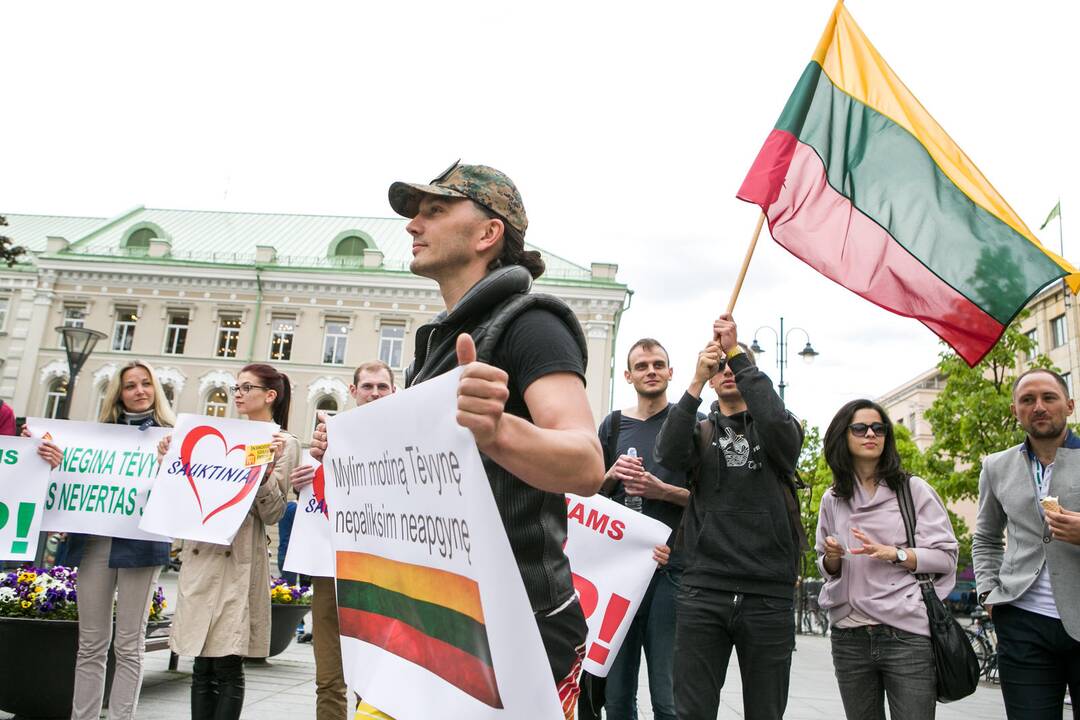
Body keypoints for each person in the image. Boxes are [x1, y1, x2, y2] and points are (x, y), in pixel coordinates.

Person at [311, 161, 604, 718]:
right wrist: (353, 457)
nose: (413, 225)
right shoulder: (440, 343)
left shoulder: (532, 323)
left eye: (435, 210)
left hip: (512, 633)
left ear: (488, 233)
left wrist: (499, 430)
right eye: (416, 213)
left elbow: (586, 461)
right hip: (429, 621)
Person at [654, 314, 804, 720]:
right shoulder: (699, 430)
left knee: (765, 712)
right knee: (691, 712)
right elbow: (667, 454)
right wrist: (694, 383)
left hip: (767, 595)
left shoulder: (777, 428)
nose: (728, 372)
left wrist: (737, 354)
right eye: (720, 366)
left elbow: (780, 428)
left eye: (735, 365)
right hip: (704, 591)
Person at [25, 359, 174, 720]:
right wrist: (53, 460)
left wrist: (169, 463)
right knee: (90, 643)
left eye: (145, 384)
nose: (139, 391)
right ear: (118, 394)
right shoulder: (93, 437)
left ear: (155, 389)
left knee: (129, 644)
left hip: (142, 543)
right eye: (130, 385)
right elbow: (73, 482)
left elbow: (180, 494)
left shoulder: (171, 437)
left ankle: (122, 717)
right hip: (92, 543)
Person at [163, 363, 300, 720]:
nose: (237, 394)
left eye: (246, 388)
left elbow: (273, 514)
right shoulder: (216, 433)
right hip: (202, 553)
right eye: (235, 387)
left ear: (269, 395)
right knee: (200, 666)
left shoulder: (282, 443)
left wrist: (263, 475)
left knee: (227, 663)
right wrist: (168, 457)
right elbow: (184, 491)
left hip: (240, 558)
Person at [816, 399, 958, 720]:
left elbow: (945, 557)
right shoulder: (833, 497)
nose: (871, 434)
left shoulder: (913, 490)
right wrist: (834, 558)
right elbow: (824, 565)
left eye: (879, 428)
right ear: (843, 435)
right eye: (861, 428)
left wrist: (895, 553)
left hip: (905, 635)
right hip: (849, 636)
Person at [592, 338, 696, 720]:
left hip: (671, 571)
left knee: (667, 697)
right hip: (618, 575)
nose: (650, 371)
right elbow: (589, 496)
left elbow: (710, 501)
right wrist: (609, 476)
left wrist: (661, 490)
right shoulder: (613, 424)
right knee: (617, 697)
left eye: (657, 364)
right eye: (641, 366)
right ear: (628, 375)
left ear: (671, 372)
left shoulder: (693, 424)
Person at [290, 360, 395, 720]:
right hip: (329, 570)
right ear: (353, 392)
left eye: (382, 386)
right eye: (367, 386)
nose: (375, 393)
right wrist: (305, 475)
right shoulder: (326, 438)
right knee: (329, 677)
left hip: (380, 576)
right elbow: (313, 492)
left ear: (393, 392)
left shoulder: (404, 438)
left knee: (374, 681)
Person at [973, 368, 1080, 719]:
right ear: (1015, 410)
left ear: (1069, 405)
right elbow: (986, 537)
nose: (1038, 406)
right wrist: (988, 593)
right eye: (1027, 400)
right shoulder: (995, 466)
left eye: (1048, 397)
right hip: (1022, 621)